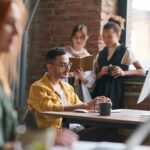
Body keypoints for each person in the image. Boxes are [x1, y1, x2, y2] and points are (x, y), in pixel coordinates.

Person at [0, 0, 78, 149]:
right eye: (10, 23)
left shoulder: (2, 79)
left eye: (19, 24)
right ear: (50, 66)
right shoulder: (38, 87)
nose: (18, 31)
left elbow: (9, 135)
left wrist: (46, 137)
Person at [27, 47, 110, 129]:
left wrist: (97, 105)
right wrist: (86, 105)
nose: (68, 69)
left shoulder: (67, 87)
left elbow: (81, 107)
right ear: (50, 67)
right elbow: (49, 109)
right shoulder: (38, 87)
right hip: (57, 134)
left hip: (77, 129)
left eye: (69, 64)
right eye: (63, 65)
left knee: (108, 130)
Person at [92, 16, 145, 109]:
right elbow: (94, 77)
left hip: (115, 91)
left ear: (117, 34)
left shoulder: (126, 51)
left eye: (109, 36)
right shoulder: (101, 53)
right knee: (95, 119)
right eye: (103, 36)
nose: (106, 40)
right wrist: (101, 73)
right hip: (99, 91)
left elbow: (142, 70)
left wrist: (123, 72)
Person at [64, 24, 95, 102]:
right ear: (72, 38)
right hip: (66, 89)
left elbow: (91, 81)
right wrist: (69, 73)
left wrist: (82, 77)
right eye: (76, 37)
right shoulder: (64, 54)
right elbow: (55, 73)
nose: (79, 40)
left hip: (81, 91)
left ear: (86, 38)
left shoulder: (88, 57)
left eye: (82, 38)